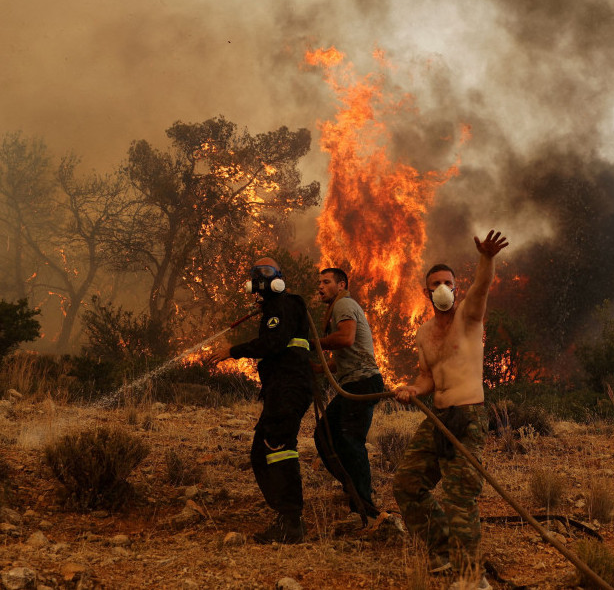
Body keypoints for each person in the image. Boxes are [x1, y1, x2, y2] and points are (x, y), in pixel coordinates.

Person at [392, 230, 508, 582]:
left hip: (468, 416)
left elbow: (483, 286)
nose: (442, 287)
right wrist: (413, 388)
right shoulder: (424, 333)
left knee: (460, 499)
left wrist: (487, 258)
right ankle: (440, 552)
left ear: (456, 287)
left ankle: (472, 578)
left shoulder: (469, 317)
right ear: (426, 292)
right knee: (407, 483)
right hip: (438, 416)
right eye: (435, 283)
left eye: (448, 282)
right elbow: (429, 377)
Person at [212, 257, 314, 544]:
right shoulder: (275, 308)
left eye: (268, 272)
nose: (262, 277)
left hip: (289, 387)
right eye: (257, 273)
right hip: (281, 388)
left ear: (279, 277)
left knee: (279, 447)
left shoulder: (285, 305)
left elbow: (273, 344)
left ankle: (291, 522)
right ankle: (286, 515)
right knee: (261, 452)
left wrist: (233, 351)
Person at [311, 267, 385, 521]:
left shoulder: (343, 306)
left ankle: (363, 504)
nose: (320, 286)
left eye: (326, 282)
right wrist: (319, 368)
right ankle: (353, 490)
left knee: (350, 441)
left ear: (341, 285)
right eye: (319, 282)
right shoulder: (338, 308)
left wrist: (312, 343)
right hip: (355, 382)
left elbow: (345, 339)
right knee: (325, 434)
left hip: (362, 383)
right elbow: (343, 356)